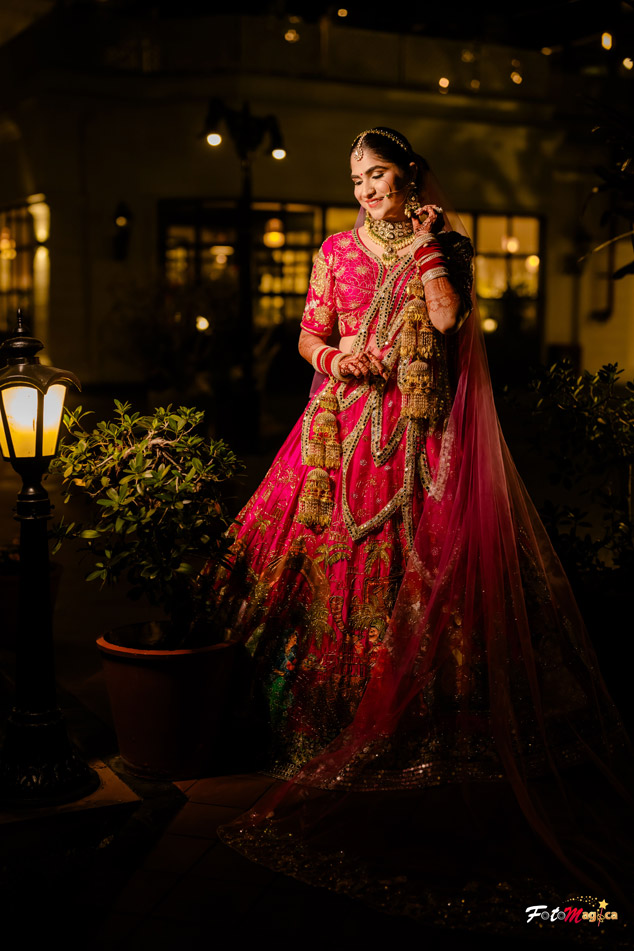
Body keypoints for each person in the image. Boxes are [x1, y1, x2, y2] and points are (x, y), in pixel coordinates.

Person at [213, 128, 634, 931]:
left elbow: (445, 321)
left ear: (409, 175)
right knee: (331, 563)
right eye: (357, 179)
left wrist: (432, 249)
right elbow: (309, 332)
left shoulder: (447, 246)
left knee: (427, 565)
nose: (367, 190)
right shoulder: (336, 250)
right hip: (342, 430)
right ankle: (328, 722)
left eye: (379, 174)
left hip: (420, 432)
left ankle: (423, 719)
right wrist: (336, 361)